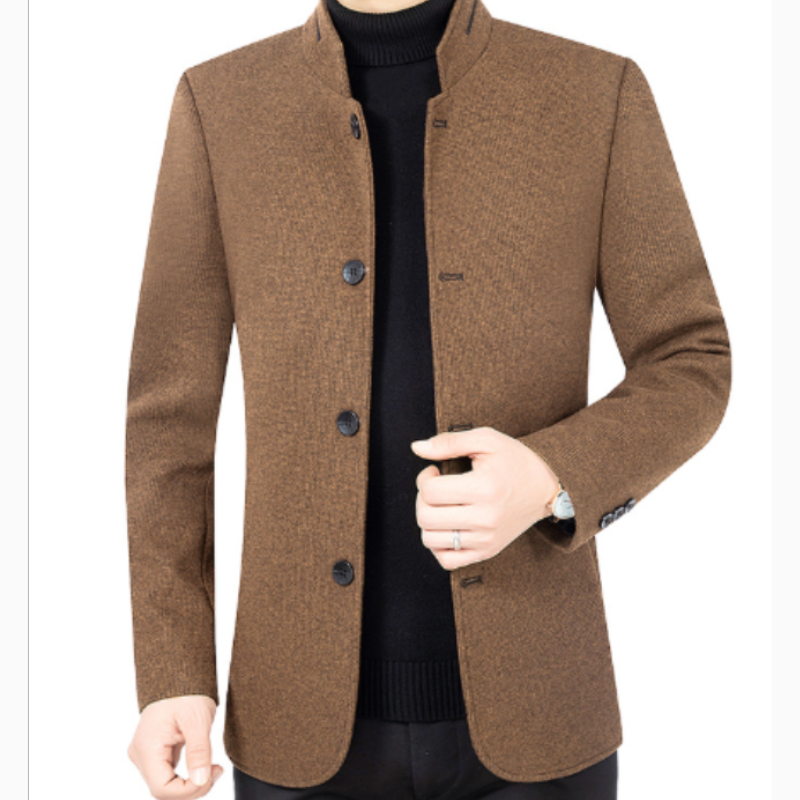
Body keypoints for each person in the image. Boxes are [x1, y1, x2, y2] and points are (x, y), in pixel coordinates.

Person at [124, 0, 732, 798]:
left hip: (543, 717)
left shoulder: (595, 93)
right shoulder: (221, 104)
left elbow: (691, 357)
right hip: (294, 723)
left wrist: (553, 478)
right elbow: (168, 419)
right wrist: (173, 669)